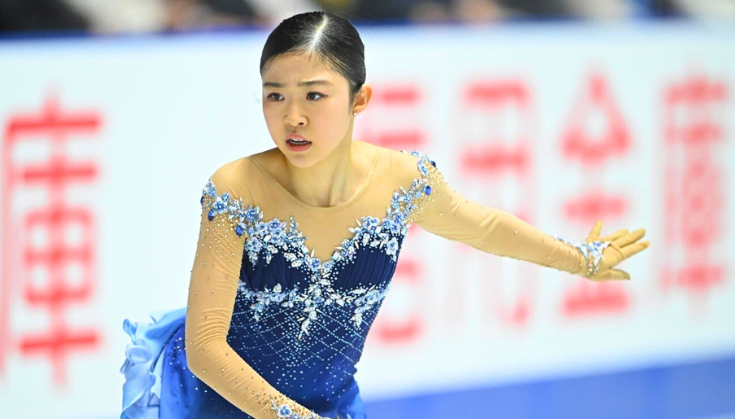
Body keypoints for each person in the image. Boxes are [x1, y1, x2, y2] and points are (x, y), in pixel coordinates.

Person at [119, 11, 649, 419]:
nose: (292, 116)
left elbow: (485, 227)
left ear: (360, 99)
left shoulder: (403, 182)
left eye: (315, 96)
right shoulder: (236, 190)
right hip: (218, 402)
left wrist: (579, 258)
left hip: (328, 405)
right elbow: (206, 348)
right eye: (274, 96)